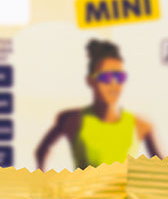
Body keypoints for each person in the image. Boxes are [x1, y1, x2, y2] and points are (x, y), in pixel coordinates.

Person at [34, 39, 160, 168]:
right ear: (90, 80)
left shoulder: (141, 125)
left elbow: (166, 169)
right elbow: (41, 151)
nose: (113, 84)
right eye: (105, 77)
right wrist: (44, 176)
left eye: (120, 77)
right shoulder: (73, 120)